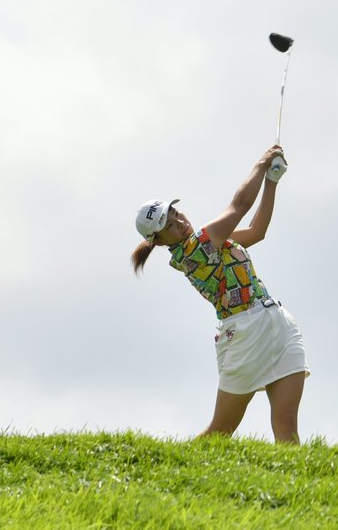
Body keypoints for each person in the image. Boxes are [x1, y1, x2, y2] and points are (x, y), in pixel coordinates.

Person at [131, 145, 309, 444]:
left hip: (276, 322)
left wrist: (272, 182)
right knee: (221, 431)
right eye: (169, 226)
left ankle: (296, 486)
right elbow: (239, 205)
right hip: (243, 334)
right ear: (159, 241)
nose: (179, 222)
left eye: (175, 213)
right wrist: (262, 164)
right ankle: (172, 468)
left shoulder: (208, 240)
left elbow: (256, 231)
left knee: (287, 425)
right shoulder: (195, 249)